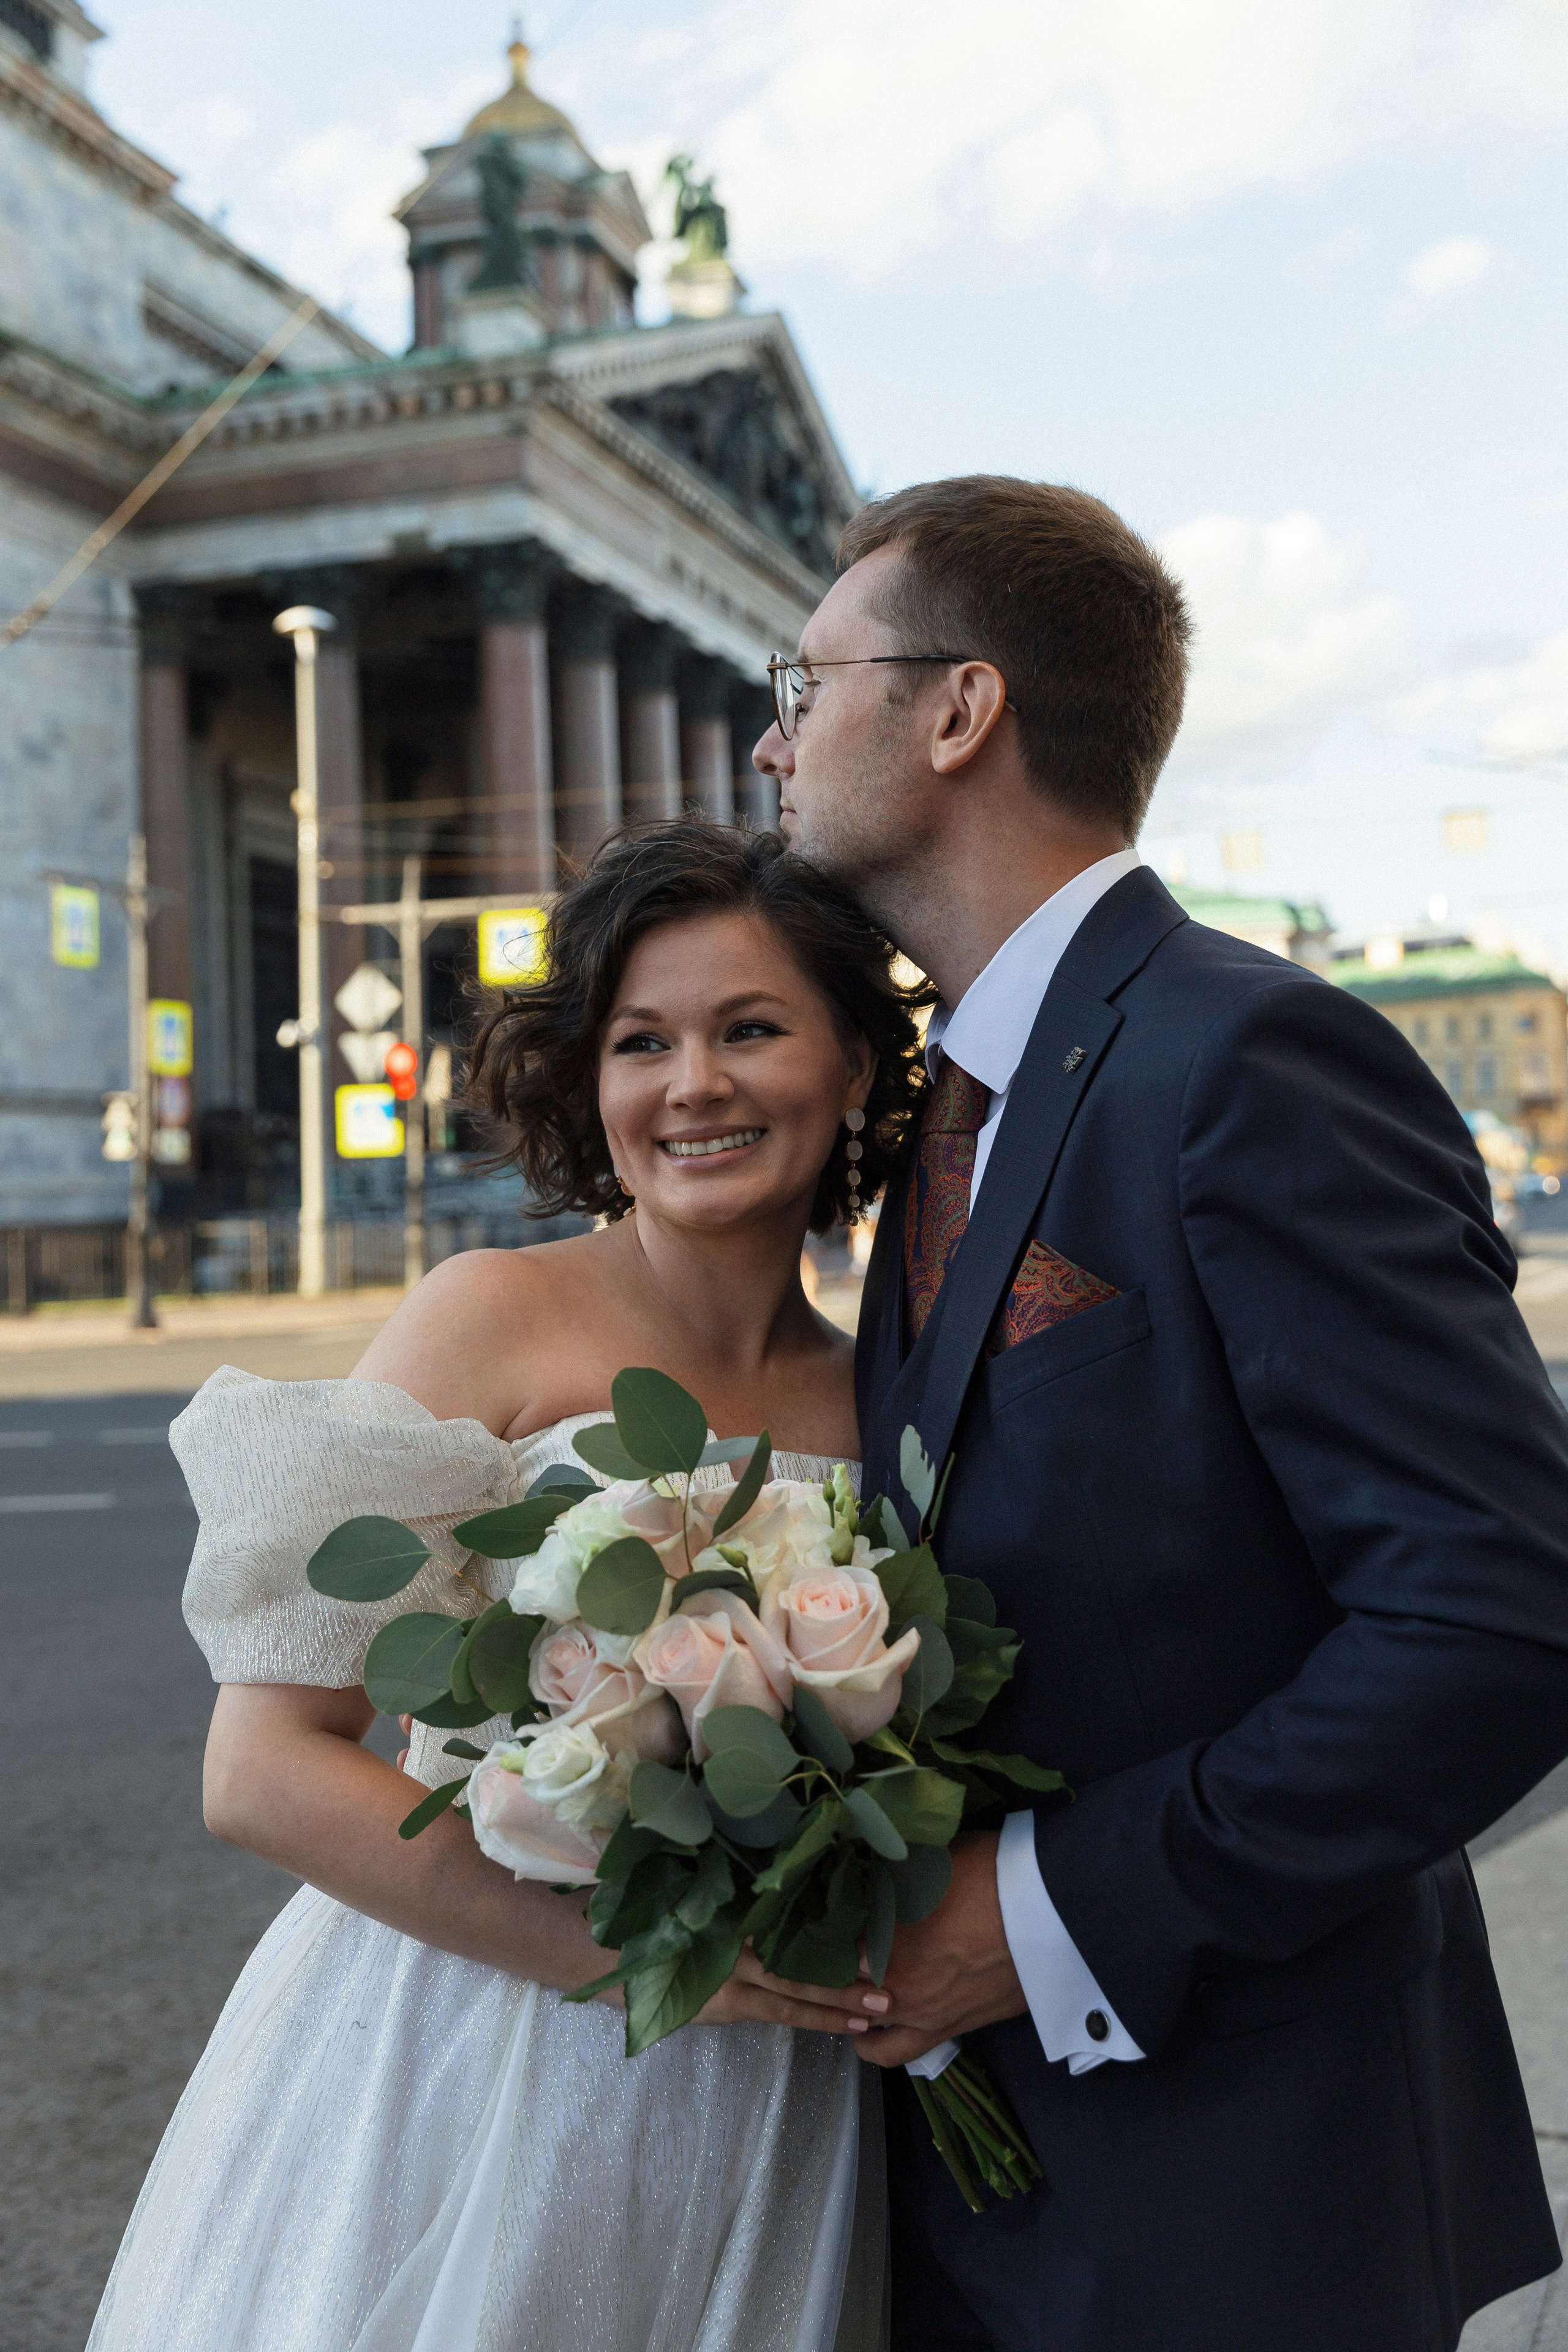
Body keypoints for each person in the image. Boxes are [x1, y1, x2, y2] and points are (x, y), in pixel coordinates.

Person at [753, 473, 1568, 2352]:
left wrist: (1041, 1918)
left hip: (1247, 2196)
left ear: (960, 711)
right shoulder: (962, 1100)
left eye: (806, 685)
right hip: (1015, 2188)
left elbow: (1500, 1620)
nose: (773, 742)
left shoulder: (1243, 1054)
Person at [86, 824, 927, 2352]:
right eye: (640, 1042)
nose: (693, 1085)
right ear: (588, 1081)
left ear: (858, 1063)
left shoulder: (891, 1389)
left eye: (750, 1029)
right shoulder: (489, 1315)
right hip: (469, 2046)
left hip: (777, 2087)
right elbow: (261, 1771)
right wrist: (640, 1962)